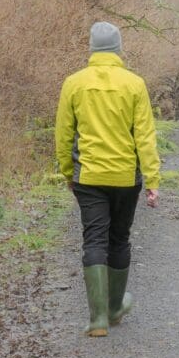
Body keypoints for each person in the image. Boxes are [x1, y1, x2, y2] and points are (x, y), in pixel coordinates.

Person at [55, 20, 160, 337]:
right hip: (126, 177)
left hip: (88, 176)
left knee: (94, 238)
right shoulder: (135, 84)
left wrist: (66, 172)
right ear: (118, 49)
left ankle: (98, 319)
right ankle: (114, 308)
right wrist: (152, 180)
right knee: (119, 238)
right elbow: (145, 136)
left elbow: (63, 135)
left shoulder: (74, 83)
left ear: (91, 49)